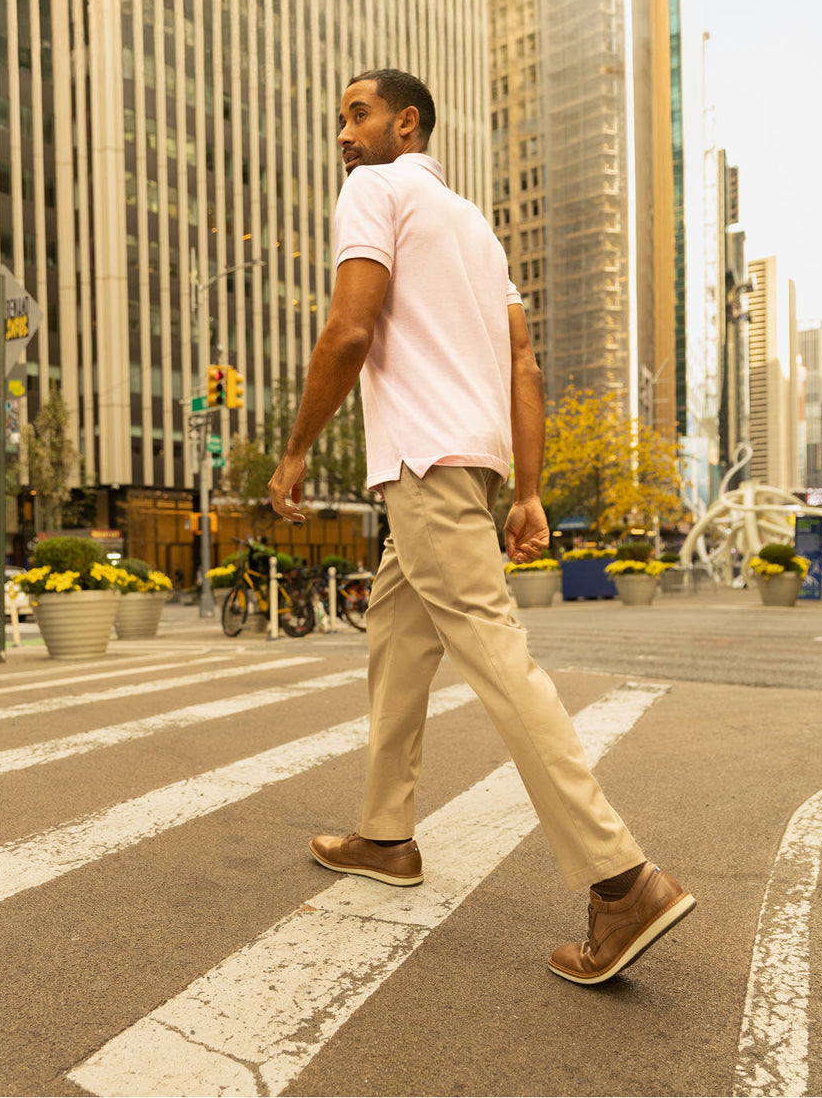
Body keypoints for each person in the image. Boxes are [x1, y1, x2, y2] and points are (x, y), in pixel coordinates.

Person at [268, 68, 693, 985]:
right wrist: (528, 490)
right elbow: (522, 361)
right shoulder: (474, 227)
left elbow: (348, 330)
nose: (343, 134)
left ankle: (621, 880)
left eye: (359, 114)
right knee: (394, 632)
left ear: (405, 123)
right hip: (471, 462)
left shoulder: (372, 190)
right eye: (340, 119)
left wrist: (296, 449)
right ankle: (384, 834)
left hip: (423, 464)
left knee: (497, 656)